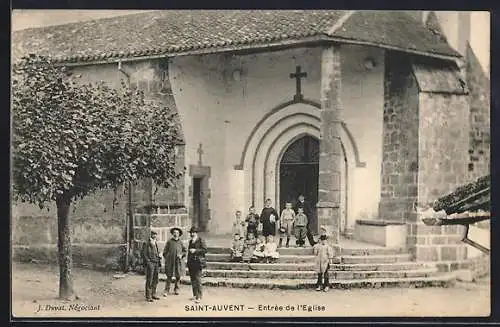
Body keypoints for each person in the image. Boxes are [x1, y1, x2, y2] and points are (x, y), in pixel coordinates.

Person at [162, 227, 187, 297]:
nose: (176, 234)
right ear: (172, 234)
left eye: (177, 233)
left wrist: (181, 255)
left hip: (178, 262)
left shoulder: (180, 242)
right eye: (174, 233)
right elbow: (165, 252)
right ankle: (166, 290)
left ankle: (176, 289)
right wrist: (168, 258)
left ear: (179, 234)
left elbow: (185, 251)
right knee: (169, 276)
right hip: (170, 262)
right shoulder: (169, 242)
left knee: (178, 275)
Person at [187, 226, 207, 303]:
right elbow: (189, 252)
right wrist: (188, 262)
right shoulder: (190, 241)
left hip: (198, 262)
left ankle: (199, 296)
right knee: (193, 280)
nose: (192, 234)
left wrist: (195, 250)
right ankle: (195, 295)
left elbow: (205, 250)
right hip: (191, 262)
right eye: (191, 233)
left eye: (194, 232)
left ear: (196, 233)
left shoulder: (200, 240)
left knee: (198, 279)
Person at [141, 230, 161, 302]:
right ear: (151, 235)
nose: (154, 236)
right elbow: (144, 254)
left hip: (156, 263)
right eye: (153, 234)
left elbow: (156, 252)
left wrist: (159, 256)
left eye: (155, 234)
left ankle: (153, 294)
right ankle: (148, 296)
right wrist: (148, 262)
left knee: (156, 279)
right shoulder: (146, 243)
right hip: (151, 263)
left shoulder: (155, 242)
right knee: (150, 279)